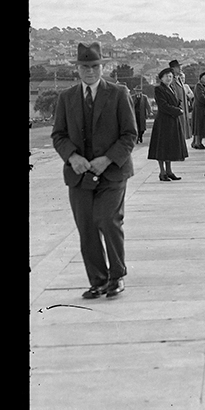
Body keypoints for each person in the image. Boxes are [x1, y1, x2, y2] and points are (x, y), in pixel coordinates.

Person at [52, 42, 137, 299]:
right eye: (84, 67)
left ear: (103, 67)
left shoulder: (119, 93)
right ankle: (98, 280)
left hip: (112, 173)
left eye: (94, 66)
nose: (90, 71)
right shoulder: (66, 98)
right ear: (77, 69)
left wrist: (108, 159)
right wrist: (72, 156)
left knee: (107, 219)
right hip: (79, 175)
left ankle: (117, 275)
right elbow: (58, 135)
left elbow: (129, 134)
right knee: (87, 227)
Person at [147, 67, 189, 181]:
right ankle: (162, 172)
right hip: (163, 121)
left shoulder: (172, 88)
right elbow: (163, 105)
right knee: (162, 147)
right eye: (166, 76)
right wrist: (177, 111)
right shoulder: (159, 89)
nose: (169, 78)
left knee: (170, 147)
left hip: (172, 120)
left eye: (170, 76)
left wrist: (179, 108)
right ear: (161, 78)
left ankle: (169, 171)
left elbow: (177, 101)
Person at [167, 60, 191, 143]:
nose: (180, 69)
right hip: (178, 109)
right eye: (178, 67)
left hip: (183, 109)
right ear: (173, 69)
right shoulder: (171, 80)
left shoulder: (179, 79)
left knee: (183, 130)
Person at [191, 71, 205, 149]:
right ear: (201, 78)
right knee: (199, 125)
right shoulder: (199, 86)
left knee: (200, 125)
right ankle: (198, 142)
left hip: (201, 108)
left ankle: (195, 142)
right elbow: (201, 97)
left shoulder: (204, 86)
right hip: (199, 108)